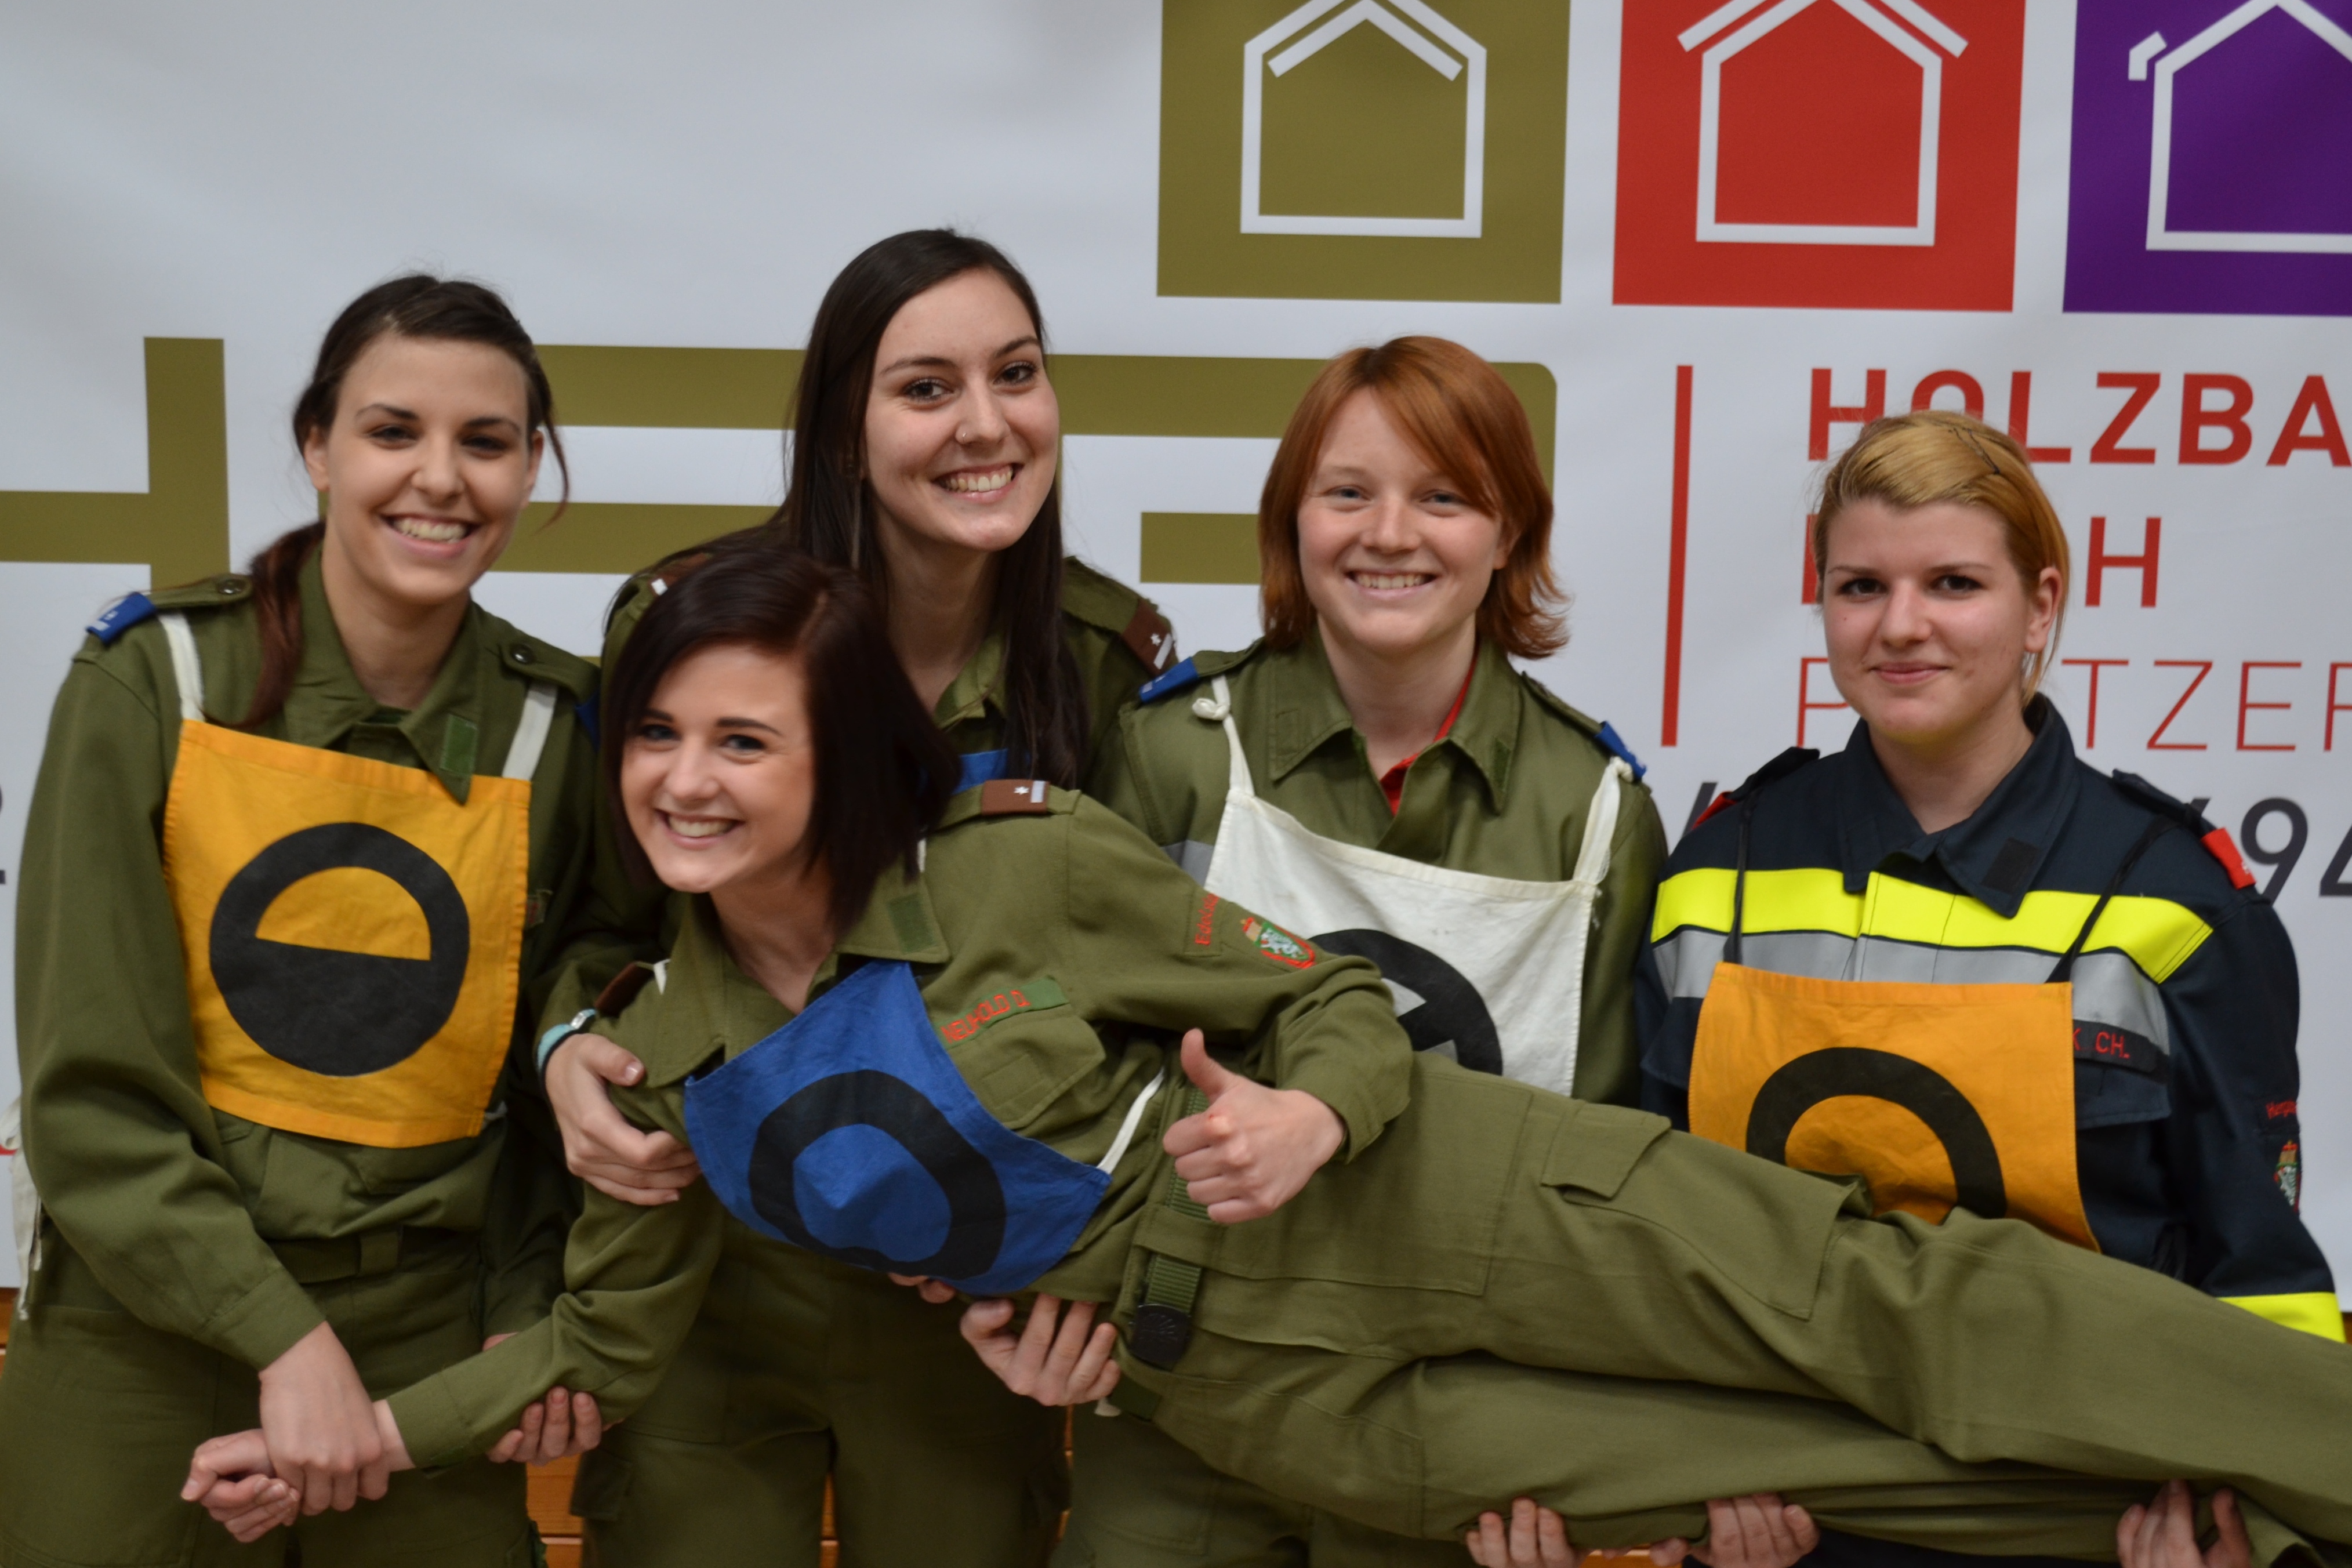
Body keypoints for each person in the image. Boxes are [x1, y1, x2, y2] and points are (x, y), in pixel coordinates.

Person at [187, 541, 2352, 1567]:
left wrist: (1312, 1110)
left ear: (834, 746)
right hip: (1251, 1399)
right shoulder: (653, 1058)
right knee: (1783, 1478)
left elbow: (1318, 998)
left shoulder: (1015, 863)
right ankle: (2227, 1533)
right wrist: (348, 1436)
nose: (684, 777)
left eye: (741, 737)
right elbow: (602, 1338)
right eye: (657, 735)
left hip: (1428, 1197)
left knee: (1892, 1311)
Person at [1013, 335, 1807, 1568]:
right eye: (1348, 492)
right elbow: (1074, 1058)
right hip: (1177, 1395)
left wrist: (1583, 1430)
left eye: (1444, 496)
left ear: (1509, 533)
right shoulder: (1176, 752)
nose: (1391, 534)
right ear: (1292, 520)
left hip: (1448, 1421)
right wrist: (1038, 1300)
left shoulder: (1593, 809)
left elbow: (1600, 1154)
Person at [529, 229, 1177, 1566]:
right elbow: (602, 924)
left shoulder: (1107, 661)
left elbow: (1131, 1000)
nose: (985, 423)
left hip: (964, 1284)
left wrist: (1079, 1271)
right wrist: (566, 1047)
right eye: (926, 387)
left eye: (1016, 373)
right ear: (841, 431)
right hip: (711, 1255)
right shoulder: (686, 617)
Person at [1635, 411, 2342, 1568]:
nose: (1901, 625)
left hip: (2080, 1515)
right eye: (1861, 586)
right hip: (1777, 1508)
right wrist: (1668, 1488)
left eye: (1954, 583)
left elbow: (2261, 1272)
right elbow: (1641, 1222)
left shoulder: (2174, 897)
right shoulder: (1719, 871)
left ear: (2041, 605)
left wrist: (2245, 1528)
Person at [0, 275, 602, 1566]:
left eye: (486, 441)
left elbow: (554, 1072)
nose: (439, 478)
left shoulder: (563, 731)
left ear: (531, 468)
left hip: (429, 1336)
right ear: (317, 445)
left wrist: (524, 1306)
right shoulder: (153, 680)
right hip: (142, 1332)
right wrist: (284, 1338)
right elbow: (91, 1087)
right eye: (393, 431)